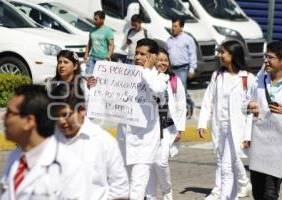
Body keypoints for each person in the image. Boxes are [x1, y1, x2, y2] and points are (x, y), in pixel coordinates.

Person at [0, 84, 87, 199]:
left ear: (29, 121)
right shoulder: (15, 158)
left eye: (10, 113)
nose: (2, 118)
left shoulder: (68, 167)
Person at [197, 40, 255, 200]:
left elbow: (252, 110)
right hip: (220, 125)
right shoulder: (217, 76)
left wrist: (248, 135)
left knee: (230, 161)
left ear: (233, 55)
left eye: (223, 52)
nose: (220, 55)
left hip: (238, 128)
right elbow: (208, 99)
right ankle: (225, 190)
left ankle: (228, 190)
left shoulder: (248, 78)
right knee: (222, 159)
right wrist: (202, 122)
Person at [50, 84, 129, 200]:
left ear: (82, 110)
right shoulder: (47, 141)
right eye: (56, 116)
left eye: (65, 115)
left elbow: (120, 189)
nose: (61, 121)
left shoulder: (104, 141)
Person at [117, 38, 169, 200]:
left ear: (153, 57)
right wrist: (95, 85)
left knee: (137, 186)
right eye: (136, 54)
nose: (137, 57)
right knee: (123, 184)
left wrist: (146, 69)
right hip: (125, 136)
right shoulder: (127, 74)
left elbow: (157, 89)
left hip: (145, 139)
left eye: (142, 54)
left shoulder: (160, 77)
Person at [246, 41, 282, 200]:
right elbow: (243, 104)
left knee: (278, 193)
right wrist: (250, 104)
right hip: (262, 150)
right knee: (261, 194)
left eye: (270, 57)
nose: (266, 60)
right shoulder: (259, 81)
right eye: (265, 56)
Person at [145, 48, 187, 200]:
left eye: (165, 60)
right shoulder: (148, 77)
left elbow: (181, 104)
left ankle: (167, 193)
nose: (162, 63)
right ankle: (150, 197)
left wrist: (180, 129)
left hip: (168, 128)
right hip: (150, 129)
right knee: (150, 164)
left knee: (161, 162)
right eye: (160, 59)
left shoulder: (174, 79)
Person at [165, 17, 196, 118]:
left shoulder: (187, 39)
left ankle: (188, 107)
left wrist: (192, 69)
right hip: (172, 69)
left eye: (176, 26)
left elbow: (192, 54)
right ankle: (178, 109)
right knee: (173, 89)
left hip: (183, 68)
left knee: (181, 89)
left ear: (181, 27)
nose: (173, 28)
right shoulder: (168, 40)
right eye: (172, 26)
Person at [84, 10, 114, 74]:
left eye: (96, 19)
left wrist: (108, 56)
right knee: (88, 76)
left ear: (102, 19)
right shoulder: (92, 29)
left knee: (99, 78)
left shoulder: (108, 31)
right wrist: (86, 55)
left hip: (102, 58)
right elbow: (89, 43)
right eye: (94, 19)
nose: (94, 21)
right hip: (92, 57)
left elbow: (112, 45)